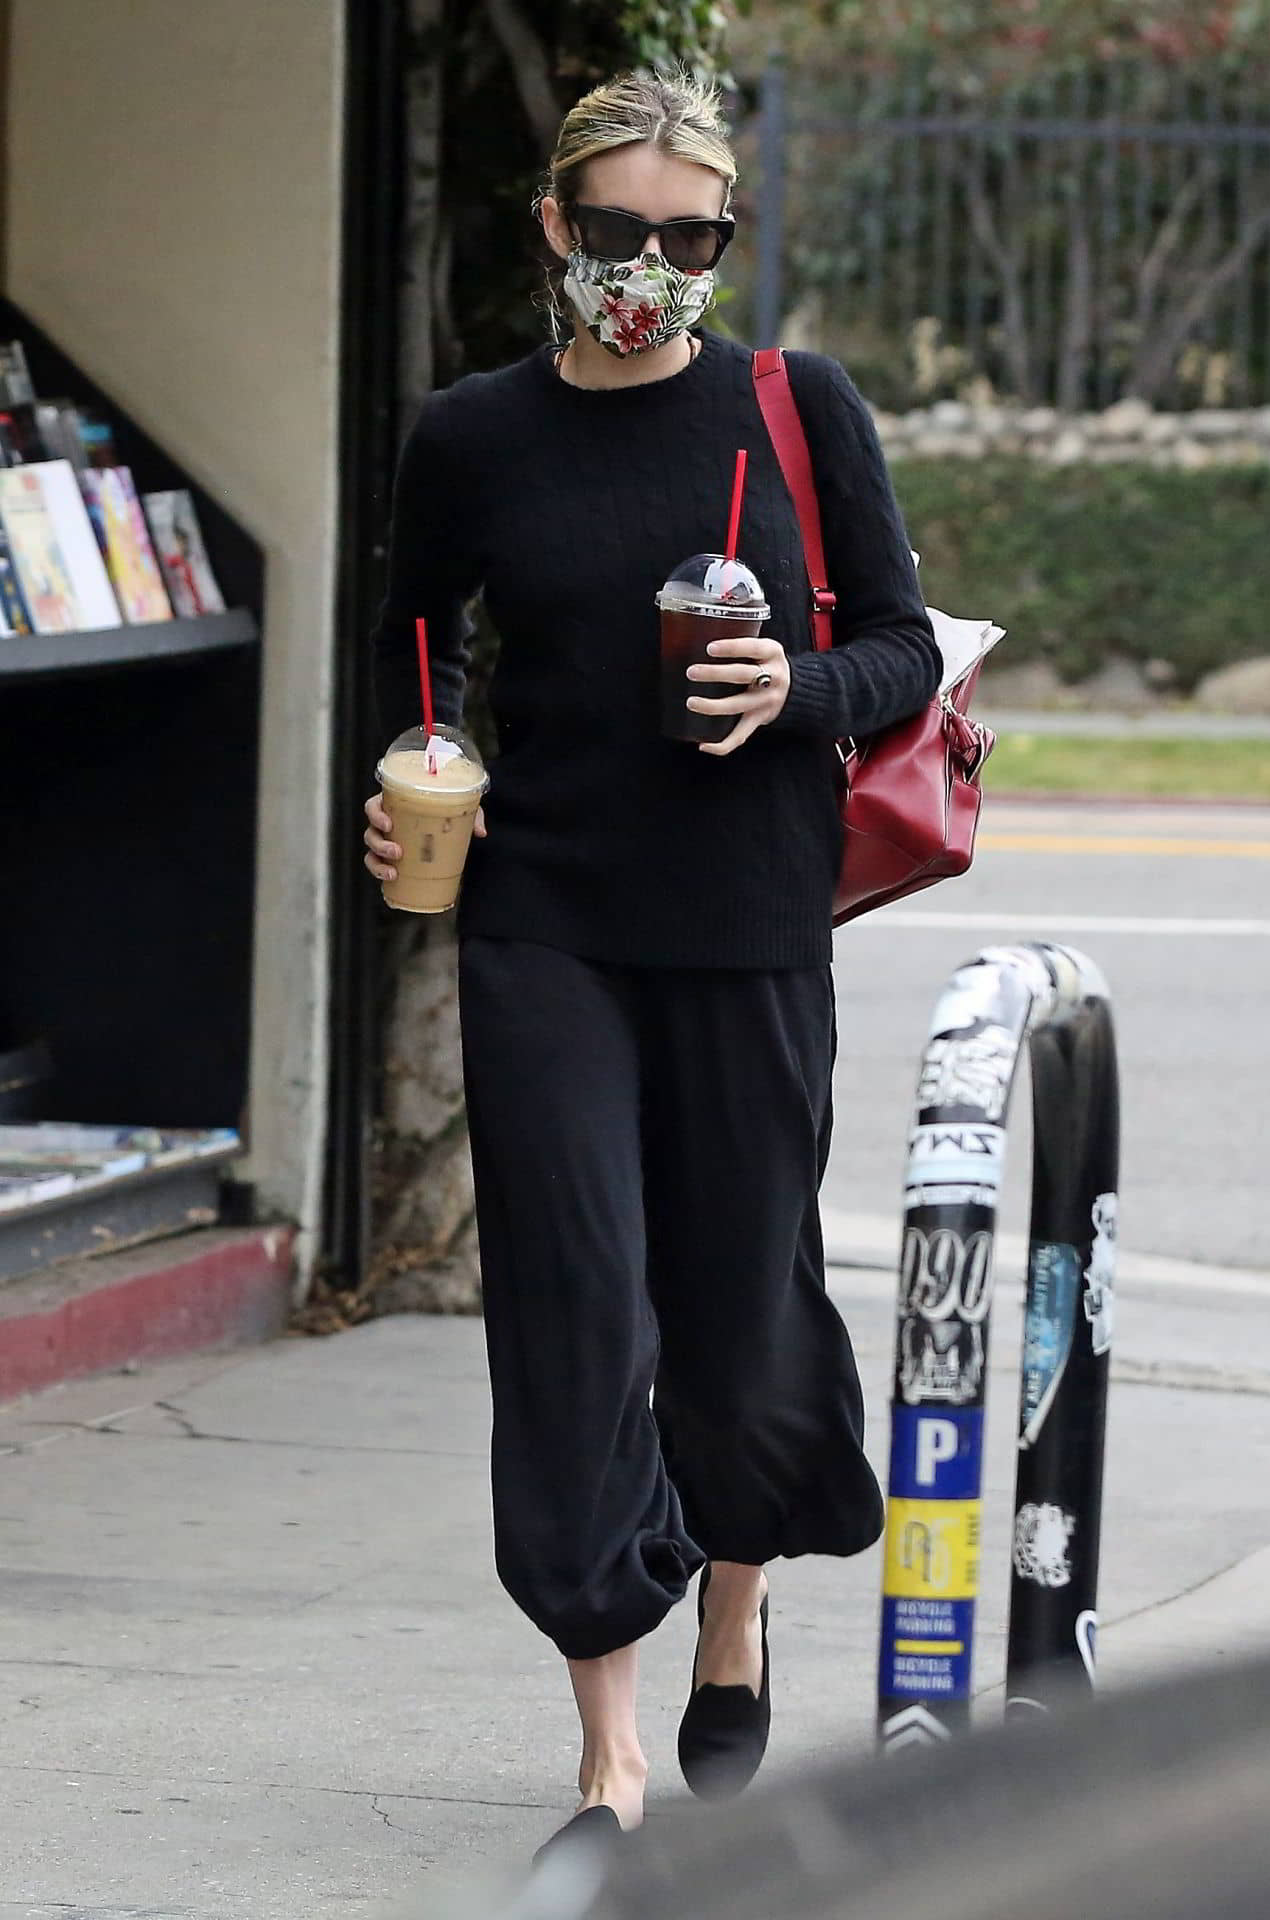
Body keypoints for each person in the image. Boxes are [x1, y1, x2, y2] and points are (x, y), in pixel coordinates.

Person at [363, 66, 941, 1862]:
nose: (655, 266)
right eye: (621, 232)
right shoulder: (474, 433)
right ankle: (607, 1757)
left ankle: (735, 1608)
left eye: (695, 238)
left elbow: (910, 651)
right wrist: (411, 792)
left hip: (750, 920)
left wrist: (796, 691)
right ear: (557, 226)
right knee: (574, 1313)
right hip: (544, 918)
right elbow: (413, 645)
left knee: (740, 1310)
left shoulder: (795, 406)